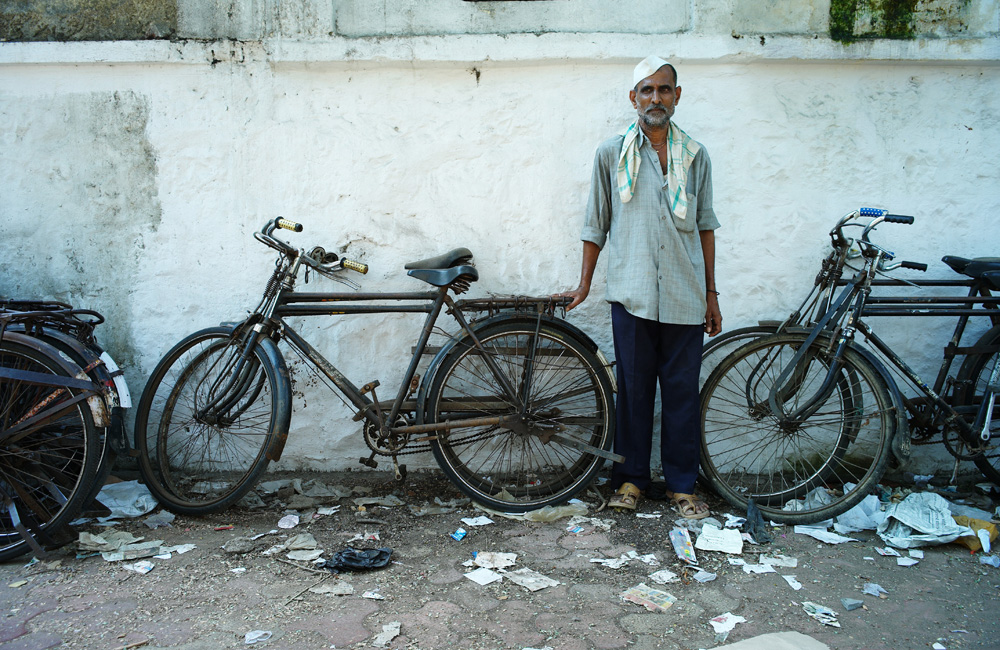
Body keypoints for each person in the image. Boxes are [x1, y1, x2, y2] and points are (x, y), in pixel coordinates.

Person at [556, 55, 722, 519]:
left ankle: (681, 484)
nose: (655, 98)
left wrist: (711, 294)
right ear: (634, 98)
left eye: (664, 90)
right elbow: (597, 223)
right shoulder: (612, 153)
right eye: (646, 90)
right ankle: (630, 481)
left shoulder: (695, 155)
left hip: (686, 295)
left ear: (677, 96)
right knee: (632, 393)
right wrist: (585, 283)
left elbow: (706, 227)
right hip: (631, 294)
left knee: (682, 394)